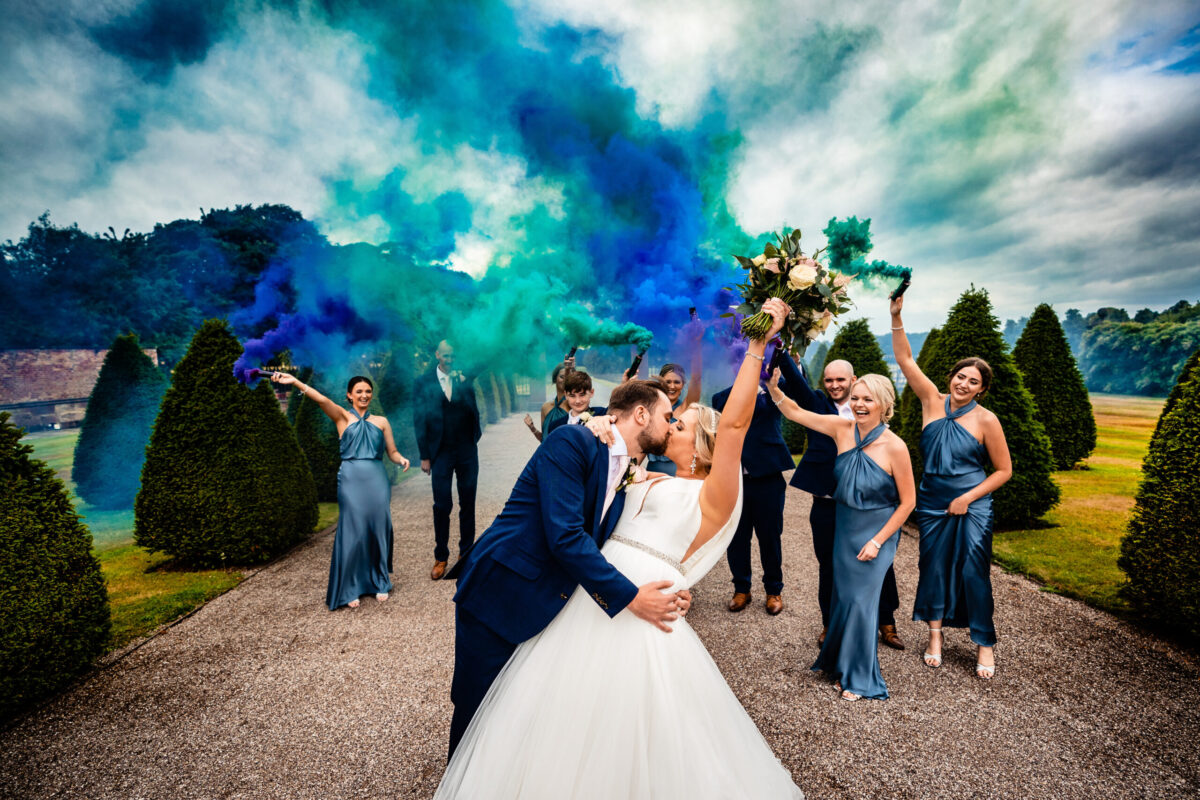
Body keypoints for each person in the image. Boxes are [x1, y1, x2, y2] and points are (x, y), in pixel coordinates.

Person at [436, 299, 801, 799]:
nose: (673, 423)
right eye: (669, 417)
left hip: (619, 610)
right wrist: (596, 425)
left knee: (609, 728)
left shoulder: (713, 493)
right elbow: (574, 532)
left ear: (702, 447)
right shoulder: (623, 467)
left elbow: (734, 426)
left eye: (681, 423)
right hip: (547, 597)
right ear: (642, 413)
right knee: (500, 708)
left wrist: (758, 342)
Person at [768, 371, 915, 700]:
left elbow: (908, 503)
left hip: (877, 532)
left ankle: (860, 677)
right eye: (856, 398)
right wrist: (774, 387)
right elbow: (795, 412)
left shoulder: (895, 447)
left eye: (868, 399)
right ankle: (839, 661)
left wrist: (878, 541)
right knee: (844, 599)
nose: (859, 404)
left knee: (862, 603)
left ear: (885, 404)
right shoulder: (841, 428)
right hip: (844, 526)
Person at [891, 294, 1012, 679]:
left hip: (972, 501)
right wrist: (896, 316)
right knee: (933, 567)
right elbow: (906, 361)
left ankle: (985, 642)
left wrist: (968, 497)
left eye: (973, 381)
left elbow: (1003, 470)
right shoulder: (930, 401)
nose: (964, 383)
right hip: (932, 500)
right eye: (961, 376)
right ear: (952, 377)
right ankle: (935, 636)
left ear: (981, 390)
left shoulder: (987, 420)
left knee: (974, 569)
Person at [787, 357, 906, 650]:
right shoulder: (819, 405)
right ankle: (830, 623)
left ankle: (886, 622)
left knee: (880, 566)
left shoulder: (873, 415)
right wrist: (783, 348)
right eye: (828, 380)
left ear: (853, 380)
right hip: (828, 503)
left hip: (867, 510)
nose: (834, 385)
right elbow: (795, 391)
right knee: (829, 566)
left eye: (840, 380)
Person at [268, 373, 410, 610]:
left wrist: (401, 459)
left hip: (376, 480)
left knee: (378, 528)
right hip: (351, 479)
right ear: (349, 395)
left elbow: (392, 451)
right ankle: (350, 585)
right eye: (359, 391)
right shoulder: (342, 417)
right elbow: (321, 399)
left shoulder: (382, 421)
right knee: (353, 531)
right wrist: (295, 382)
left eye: (367, 391)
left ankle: (379, 580)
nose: (364, 395)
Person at [711, 347, 805, 616]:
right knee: (736, 538)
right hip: (734, 482)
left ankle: (773, 590)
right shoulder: (720, 399)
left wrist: (794, 362)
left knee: (769, 537)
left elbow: (801, 392)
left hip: (768, 479)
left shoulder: (775, 391)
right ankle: (742, 589)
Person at [414, 341, 482, 581]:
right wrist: (424, 455)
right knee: (442, 505)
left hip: (466, 449)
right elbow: (419, 419)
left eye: (453, 355)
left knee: (468, 503)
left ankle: (466, 555)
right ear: (437, 355)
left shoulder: (464, 377)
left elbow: (487, 361)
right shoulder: (423, 382)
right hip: (440, 451)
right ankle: (441, 556)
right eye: (446, 355)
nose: (450, 359)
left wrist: (475, 436)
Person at [644, 354, 703, 477]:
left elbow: (696, 379)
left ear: (683, 384)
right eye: (668, 382)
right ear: (660, 383)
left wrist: (695, 345)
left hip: (675, 472)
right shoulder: (650, 407)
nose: (672, 386)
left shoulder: (686, 408)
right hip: (651, 470)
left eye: (677, 382)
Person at [523, 357, 575, 442]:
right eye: (562, 377)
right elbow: (544, 440)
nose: (565, 380)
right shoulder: (546, 407)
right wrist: (532, 428)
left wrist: (570, 369)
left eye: (568, 377)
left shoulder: (572, 404)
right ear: (555, 379)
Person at [544, 370, 607, 436]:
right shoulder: (555, 426)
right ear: (565, 395)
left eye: (582, 395)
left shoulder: (602, 414)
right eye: (572, 396)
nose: (577, 401)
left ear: (591, 392)